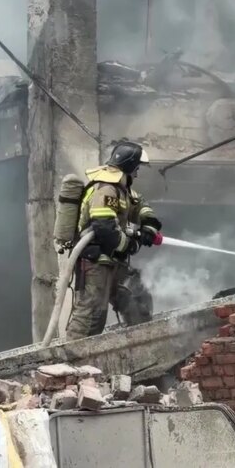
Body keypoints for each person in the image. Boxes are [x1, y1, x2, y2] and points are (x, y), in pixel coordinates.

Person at [65, 141, 163, 340]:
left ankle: (141, 342)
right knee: (92, 314)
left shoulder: (122, 190)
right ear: (129, 166)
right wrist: (130, 244)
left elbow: (140, 206)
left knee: (137, 297)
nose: (137, 173)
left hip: (113, 262)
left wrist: (148, 226)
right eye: (136, 168)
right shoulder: (106, 189)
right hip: (96, 263)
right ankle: (73, 355)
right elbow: (104, 227)